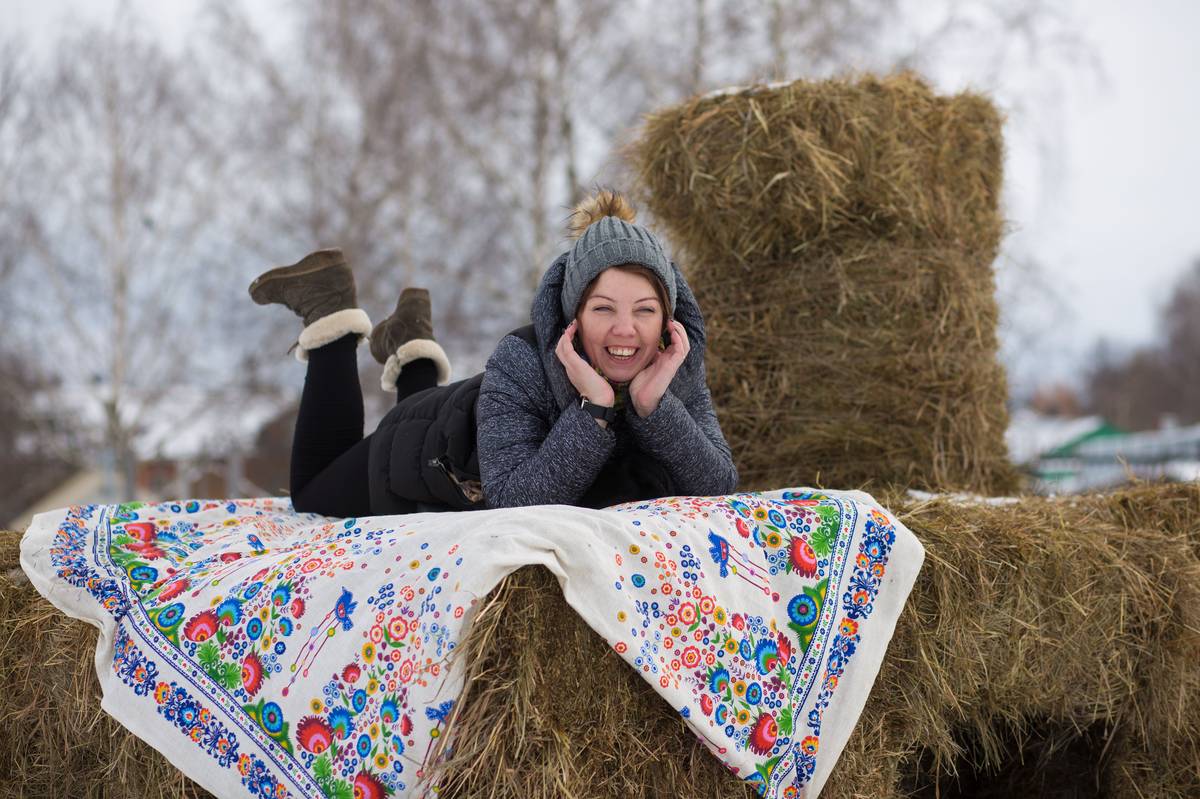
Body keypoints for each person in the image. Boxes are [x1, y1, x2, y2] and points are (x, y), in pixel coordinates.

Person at [248, 190, 738, 517]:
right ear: (575, 315)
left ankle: (411, 343)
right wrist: (593, 413)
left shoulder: (673, 365)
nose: (626, 330)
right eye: (604, 308)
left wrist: (657, 409)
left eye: (646, 311)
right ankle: (329, 311)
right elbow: (514, 502)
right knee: (311, 494)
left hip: (462, 422)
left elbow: (719, 485)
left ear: (667, 317)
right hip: (427, 450)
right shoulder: (521, 360)